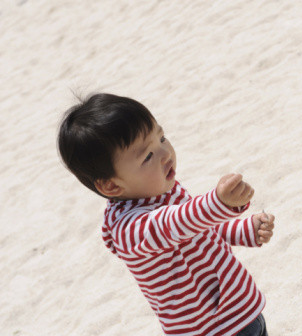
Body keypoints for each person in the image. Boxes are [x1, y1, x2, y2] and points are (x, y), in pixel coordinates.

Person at [57, 93, 274, 336]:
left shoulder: (163, 190)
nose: (165, 153)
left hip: (241, 308)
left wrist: (243, 231)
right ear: (111, 186)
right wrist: (217, 202)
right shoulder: (129, 230)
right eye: (147, 156)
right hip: (210, 328)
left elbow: (197, 230)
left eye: (162, 137)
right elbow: (175, 225)